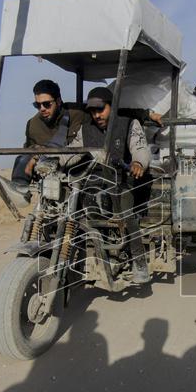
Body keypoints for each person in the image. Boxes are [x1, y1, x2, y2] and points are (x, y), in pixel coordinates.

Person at [69, 87, 159, 284]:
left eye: (100, 109)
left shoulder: (128, 124)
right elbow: (71, 153)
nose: (96, 115)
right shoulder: (86, 130)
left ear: (112, 106)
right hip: (93, 183)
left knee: (126, 211)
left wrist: (138, 163)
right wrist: (48, 159)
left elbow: (140, 147)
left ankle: (139, 260)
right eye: (92, 111)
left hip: (121, 182)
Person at [12, 79, 87, 184]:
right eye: (37, 105)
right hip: (50, 179)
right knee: (22, 161)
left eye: (47, 104)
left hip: (83, 173)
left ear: (58, 101)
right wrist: (36, 152)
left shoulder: (79, 114)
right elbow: (29, 151)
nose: (42, 109)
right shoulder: (33, 125)